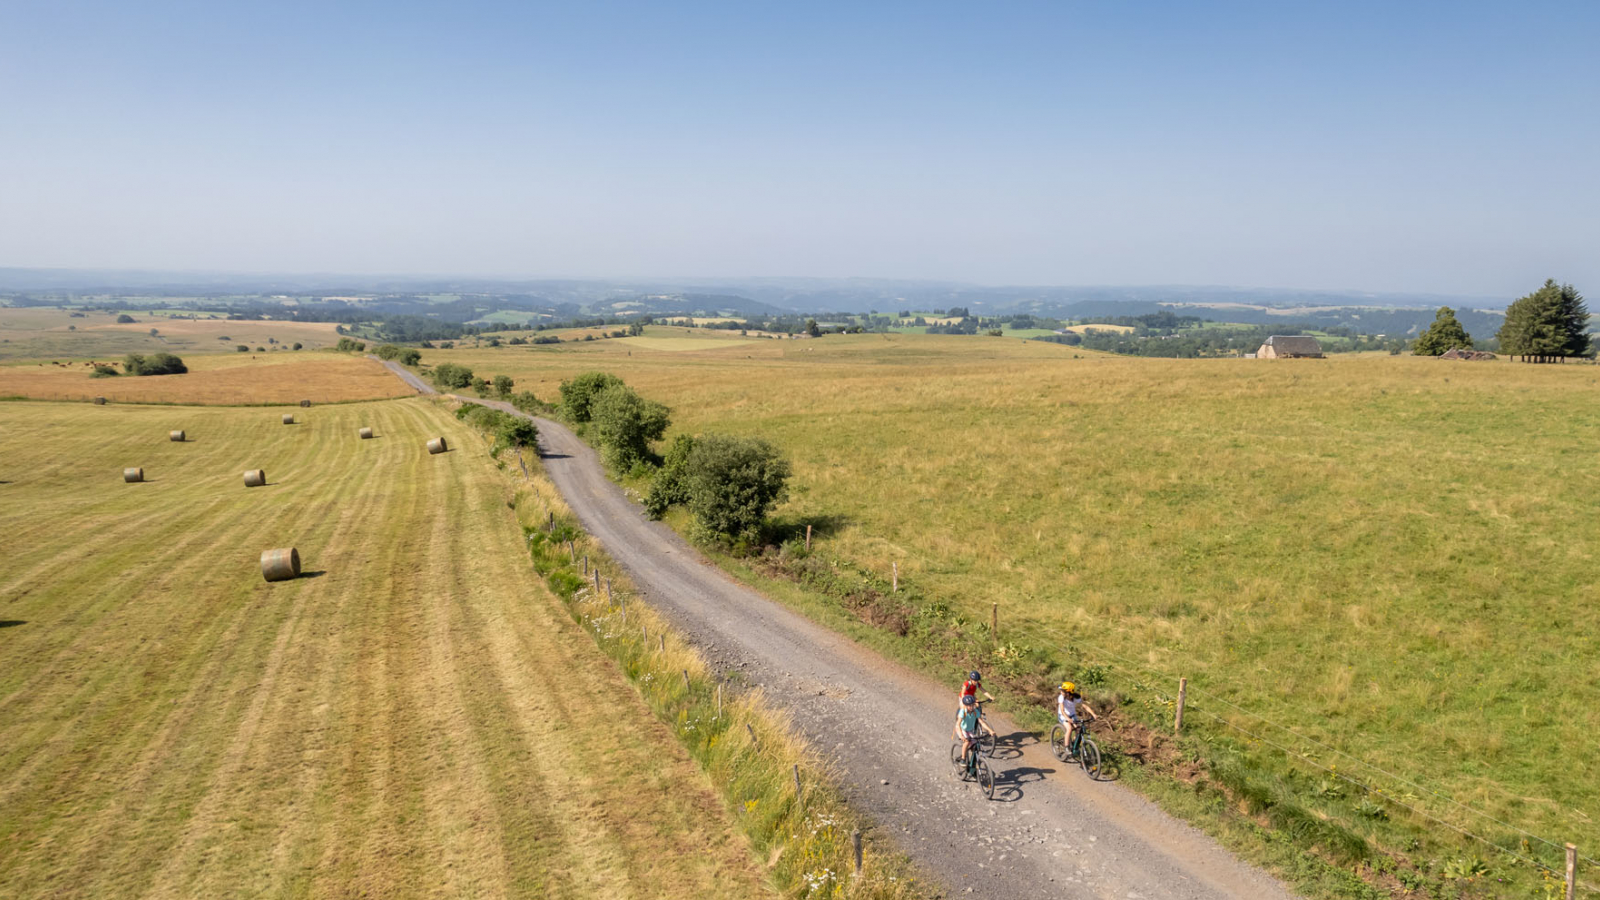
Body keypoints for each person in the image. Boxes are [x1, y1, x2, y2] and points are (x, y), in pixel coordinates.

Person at [1057, 681, 1098, 756]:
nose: (1061, 692)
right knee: (1069, 728)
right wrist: (1068, 719)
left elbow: (1085, 706)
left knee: (1079, 729)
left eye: (1063, 691)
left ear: (1068, 692)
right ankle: (1066, 747)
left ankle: (1073, 743)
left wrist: (1093, 714)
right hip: (1063, 715)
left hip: (1072, 715)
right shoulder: (1061, 697)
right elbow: (1062, 711)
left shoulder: (1076, 698)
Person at [957, 670, 997, 741]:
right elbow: (963, 693)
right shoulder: (966, 684)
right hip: (964, 697)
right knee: (964, 708)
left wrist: (990, 697)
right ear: (970, 679)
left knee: (978, 705)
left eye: (977, 680)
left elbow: (983, 691)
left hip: (972, 697)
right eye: (975, 680)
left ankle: (977, 718)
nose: (976, 682)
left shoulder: (977, 684)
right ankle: (962, 719)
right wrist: (964, 702)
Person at [952, 694, 984, 774]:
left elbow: (981, 722)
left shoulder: (975, 711)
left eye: (972, 705)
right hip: (962, 729)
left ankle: (972, 764)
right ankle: (963, 759)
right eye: (969, 705)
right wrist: (962, 736)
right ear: (966, 706)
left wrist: (990, 731)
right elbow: (958, 725)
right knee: (966, 741)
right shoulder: (963, 712)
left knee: (976, 744)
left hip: (970, 730)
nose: (971, 707)